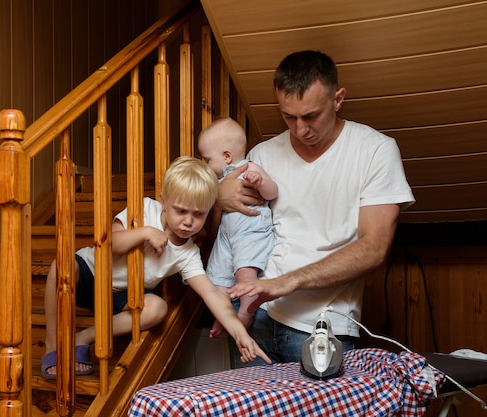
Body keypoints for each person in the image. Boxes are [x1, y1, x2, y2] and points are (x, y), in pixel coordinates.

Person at [217, 50, 415, 366]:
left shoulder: (375, 151)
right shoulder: (263, 154)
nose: (299, 129)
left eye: (310, 116)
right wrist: (218, 198)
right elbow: (233, 229)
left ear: (338, 99)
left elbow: (374, 248)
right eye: (288, 117)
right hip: (255, 317)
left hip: (323, 327)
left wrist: (286, 282)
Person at [41, 156, 270, 379]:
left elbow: (210, 293)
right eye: (180, 211)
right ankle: (52, 344)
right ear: (163, 201)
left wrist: (240, 334)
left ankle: (86, 336)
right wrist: (146, 232)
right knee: (61, 264)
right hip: (91, 274)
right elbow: (108, 244)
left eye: (198, 214)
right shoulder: (144, 210)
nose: (188, 221)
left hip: (123, 296)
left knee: (157, 309)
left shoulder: (188, 253)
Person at [197, 117, 278, 339]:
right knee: (217, 279)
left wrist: (260, 182)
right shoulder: (218, 181)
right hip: (227, 235)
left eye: (207, 159)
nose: (205, 164)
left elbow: (272, 193)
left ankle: (246, 310)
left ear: (226, 156)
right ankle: (223, 316)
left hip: (250, 231)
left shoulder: (249, 167)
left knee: (244, 273)